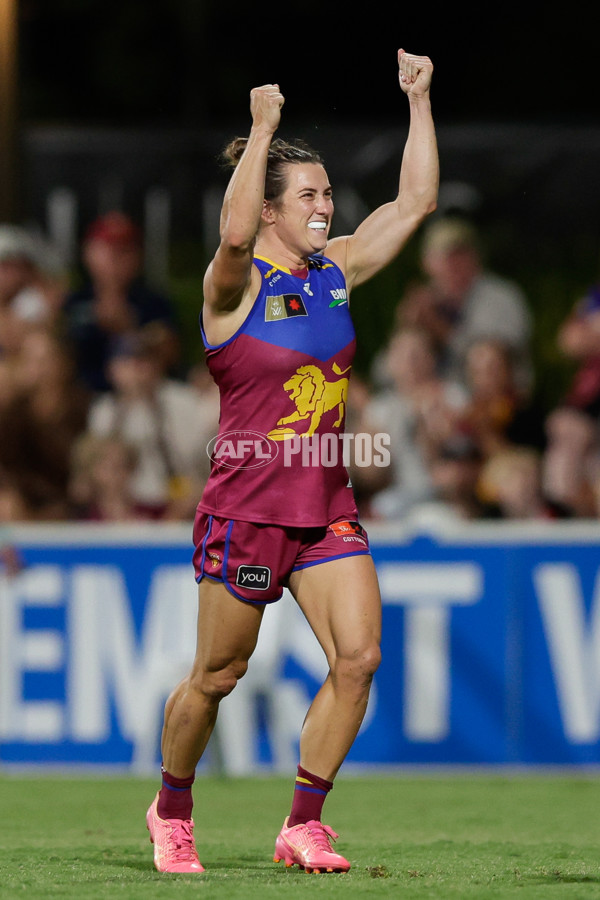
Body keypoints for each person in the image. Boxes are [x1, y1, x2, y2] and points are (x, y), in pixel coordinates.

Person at [145, 48, 438, 875]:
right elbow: (234, 231)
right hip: (247, 508)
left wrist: (417, 101)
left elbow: (414, 200)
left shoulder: (334, 272)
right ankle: (171, 807)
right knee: (217, 676)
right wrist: (262, 126)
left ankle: (301, 824)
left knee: (359, 659)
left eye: (328, 192)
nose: (325, 204)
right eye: (308, 195)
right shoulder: (231, 288)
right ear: (272, 210)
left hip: (326, 505)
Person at [392, 215, 533, 393]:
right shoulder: (424, 300)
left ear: (476, 256)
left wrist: (436, 326)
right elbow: (384, 371)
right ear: (427, 263)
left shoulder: (501, 297)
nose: (454, 263)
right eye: (446, 256)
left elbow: (496, 360)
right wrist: (407, 327)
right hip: (437, 403)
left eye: (462, 254)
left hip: (496, 404)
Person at [62, 211, 181, 394]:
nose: (114, 258)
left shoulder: (153, 302)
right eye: (107, 248)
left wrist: (128, 328)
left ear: (138, 257)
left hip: (139, 393)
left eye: (124, 250)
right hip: (80, 396)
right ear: (88, 253)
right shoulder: (72, 301)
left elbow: (171, 353)